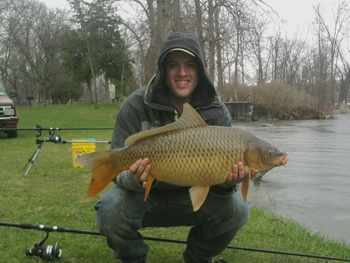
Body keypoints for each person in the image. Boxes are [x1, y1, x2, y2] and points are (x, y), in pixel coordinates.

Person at [94, 32, 256, 263]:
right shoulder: (135, 105)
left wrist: (227, 183)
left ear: (199, 69)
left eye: (189, 65)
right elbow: (117, 173)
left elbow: (221, 191)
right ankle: (133, 258)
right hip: (146, 196)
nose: (182, 73)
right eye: (173, 65)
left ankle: (197, 257)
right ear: (163, 69)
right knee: (109, 209)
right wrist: (135, 178)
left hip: (195, 199)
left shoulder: (217, 112)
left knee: (239, 208)